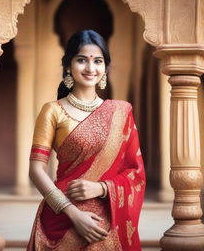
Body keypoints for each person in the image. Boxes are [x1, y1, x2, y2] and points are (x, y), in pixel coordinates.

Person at [27, 29, 145, 250]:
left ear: (105, 67)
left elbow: (134, 173)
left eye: (98, 61)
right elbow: (35, 170)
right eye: (82, 60)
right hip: (61, 218)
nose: (91, 68)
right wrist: (73, 213)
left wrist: (101, 188)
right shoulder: (53, 111)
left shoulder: (121, 111)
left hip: (108, 222)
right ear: (69, 66)